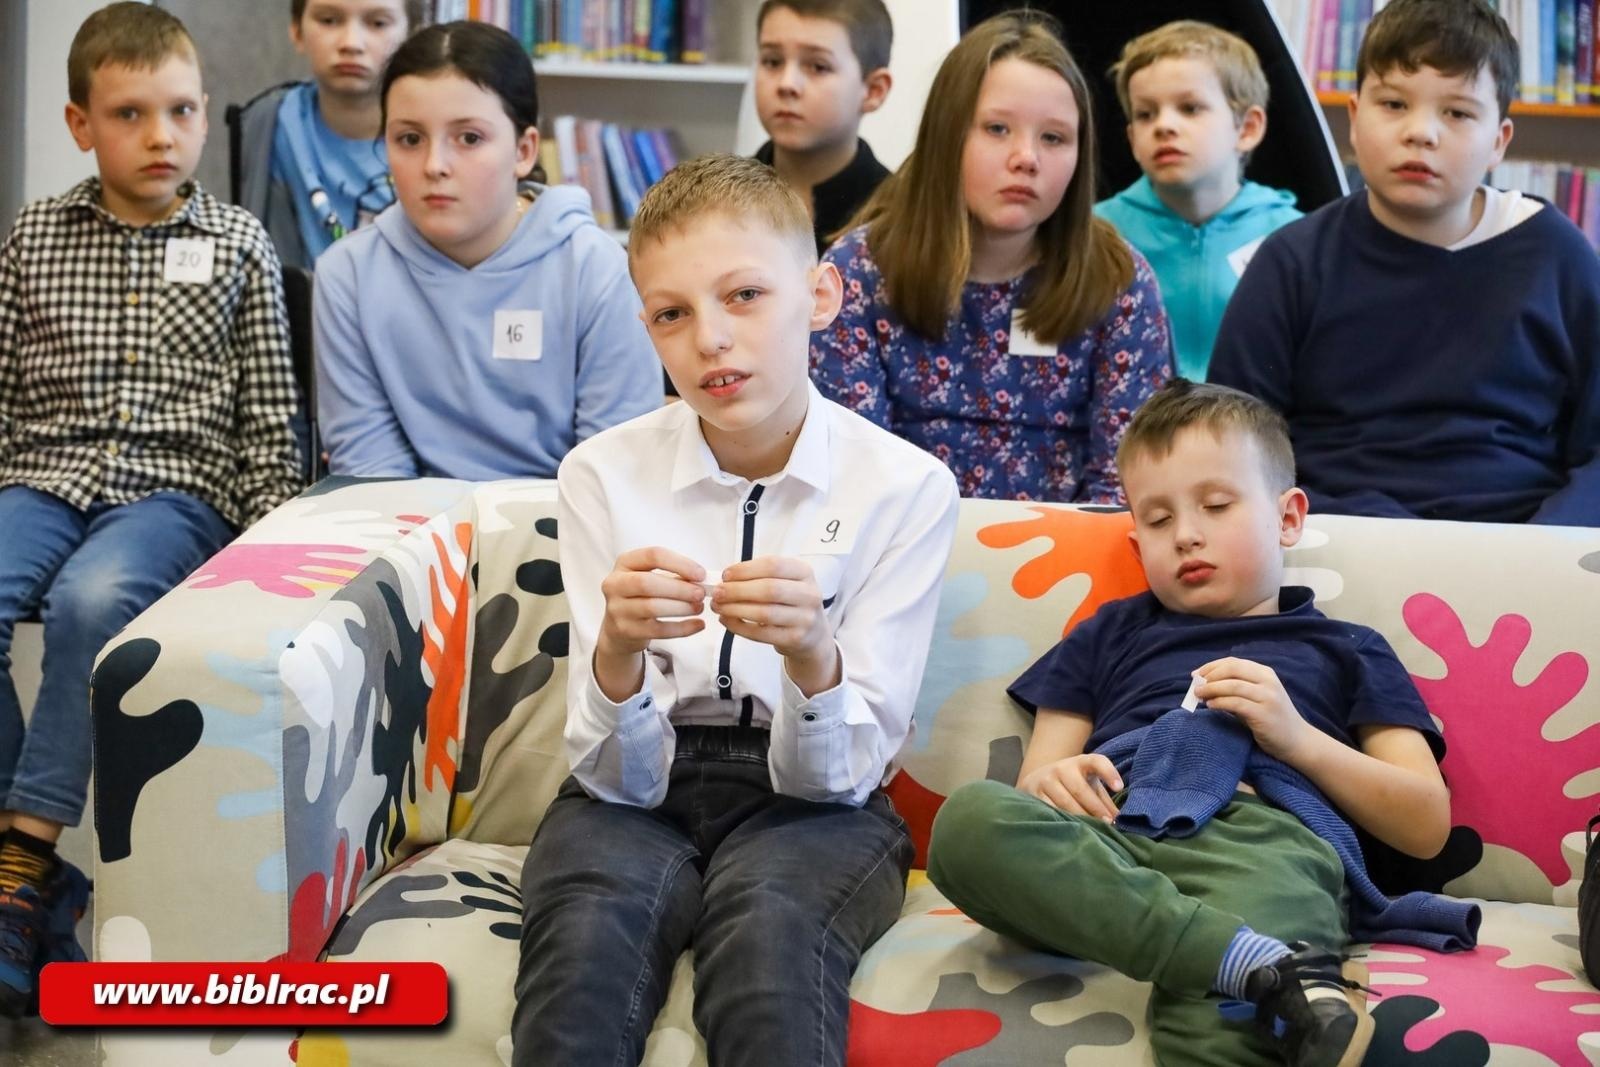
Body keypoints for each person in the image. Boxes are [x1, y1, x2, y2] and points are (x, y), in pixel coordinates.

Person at [512, 155, 959, 1066]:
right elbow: (614, 779)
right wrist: (619, 657)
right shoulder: (600, 475)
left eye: (744, 294)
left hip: (816, 810)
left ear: (821, 295)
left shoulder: (906, 488)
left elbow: (840, 778)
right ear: (648, 329)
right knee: (584, 952)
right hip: (634, 794)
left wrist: (813, 657)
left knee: (769, 952)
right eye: (673, 314)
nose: (710, 338)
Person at [926, 379, 1480, 1067]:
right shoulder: (1107, 633)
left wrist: (1296, 736)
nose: (1185, 533)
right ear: (1136, 542)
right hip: (1109, 839)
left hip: (1262, 844)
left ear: (1287, 518)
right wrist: (1055, 780)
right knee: (970, 822)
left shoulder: (1349, 648)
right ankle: (1256, 966)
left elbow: (1425, 824)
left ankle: (1239, 968)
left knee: (1225, 1035)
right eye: (1156, 521)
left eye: (1215, 505)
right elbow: (1040, 777)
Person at [0, 2, 301, 1012]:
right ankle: (37, 878)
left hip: (174, 491)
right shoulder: (35, 236)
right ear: (83, 124)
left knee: (95, 601)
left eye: (180, 110)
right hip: (41, 473)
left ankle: (19, 861)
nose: (161, 134)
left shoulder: (238, 243)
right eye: (131, 113)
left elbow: (271, 415)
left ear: (205, 113)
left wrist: (276, 551)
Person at [1209, 0, 1599, 525]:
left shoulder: (1558, 256)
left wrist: (1548, 543)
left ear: (1499, 142)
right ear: (1354, 118)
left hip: (1520, 542)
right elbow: (1234, 446)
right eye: (1393, 104)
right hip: (1335, 538)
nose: (1421, 132)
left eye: (1457, 113)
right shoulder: (1291, 262)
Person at [810, 11, 1173, 503]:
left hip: (1077, 564)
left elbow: (1127, 485)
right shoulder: (857, 271)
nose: (1027, 157)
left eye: (1054, 138)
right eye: (998, 128)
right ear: (947, 136)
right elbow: (850, 474)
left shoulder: (1119, 280)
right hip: (898, 559)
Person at [312, 20, 660, 480]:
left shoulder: (597, 269)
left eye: (469, 138)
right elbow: (371, 471)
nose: (435, 166)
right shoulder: (346, 274)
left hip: (566, 534)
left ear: (524, 150)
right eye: (409, 139)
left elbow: (611, 472)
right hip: (407, 538)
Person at [1095, 21, 1302, 381]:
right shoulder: (1096, 234)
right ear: (1131, 139)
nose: (1164, 126)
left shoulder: (1294, 237)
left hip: (1252, 432)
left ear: (1248, 128)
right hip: (1132, 432)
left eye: (1190, 108)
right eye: (1145, 114)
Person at [235, 0, 422, 269]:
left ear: (412, 37)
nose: (351, 43)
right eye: (329, 21)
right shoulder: (270, 124)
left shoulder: (439, 136)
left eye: (377, 23)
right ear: (297, 31)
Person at [752, 0, 894, 256]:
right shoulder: (714, 203)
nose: (787, 84)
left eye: (818, 66)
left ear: (874, 90)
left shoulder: (898, 216)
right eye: (772, 61)